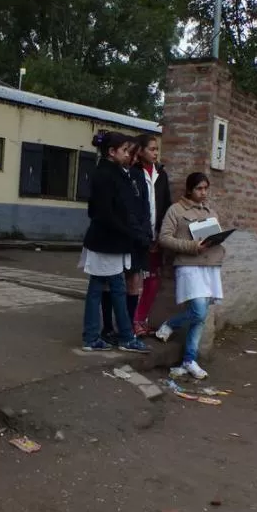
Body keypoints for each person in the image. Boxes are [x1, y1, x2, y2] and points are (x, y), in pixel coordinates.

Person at [80, 131, 152, 354]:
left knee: (101, 289)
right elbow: (103, 213)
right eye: (125, 151)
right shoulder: (106, 175)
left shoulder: (117, 173)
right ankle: (123, 337)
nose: (129, 155)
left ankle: (95, 336)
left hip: (111, 242)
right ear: (112, 152)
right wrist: (133, 234)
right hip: (107, 243)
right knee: (114, 289)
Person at [155, 172, 225, 380]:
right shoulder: (176, 210)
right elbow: (164, 238)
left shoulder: (210, 211)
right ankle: (170, 323)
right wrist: (192, 246)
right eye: (199, 189)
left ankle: (189, 360)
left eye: (206, 188)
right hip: (188, 265)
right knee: (198, 311)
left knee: (200, 318)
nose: (203, 193)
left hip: (209, 265)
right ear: (189, 189)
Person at [100, 140, 152, 339]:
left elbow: (144, 207)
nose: (133, 159)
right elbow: (119, 210)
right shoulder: (113, 175)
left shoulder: (139, 176)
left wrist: (145, 233)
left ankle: (129, 326)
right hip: (120, 235)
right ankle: (107, 326)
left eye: (137, 156)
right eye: (131, 154)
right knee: (109, 281)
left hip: (138, 238)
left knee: (134, 282)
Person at [131, 133, 172, 337]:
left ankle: (141, 319)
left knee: (153, 280)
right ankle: (131, 321)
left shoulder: (161, 174)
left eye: (157, 149)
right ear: (140, 151)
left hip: (155, 237)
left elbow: (165, 204)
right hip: (137, 237)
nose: (156, 153)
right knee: (134, 281)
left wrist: (160, 235)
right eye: (152, 149)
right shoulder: (133, 173)